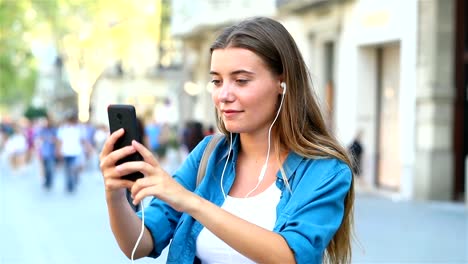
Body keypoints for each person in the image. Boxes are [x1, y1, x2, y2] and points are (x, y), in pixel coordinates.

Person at [99, 17, 354, 264]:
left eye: (241, 81)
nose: (224, 95)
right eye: (217, 81)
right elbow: (139, 245)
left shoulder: (325, 170)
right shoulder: (209, 155)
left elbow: (291, 256)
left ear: (282, 82)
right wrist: (115, 194)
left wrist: (191, 202)